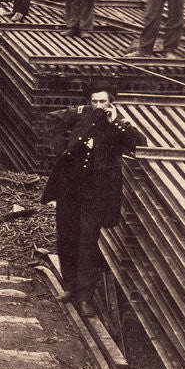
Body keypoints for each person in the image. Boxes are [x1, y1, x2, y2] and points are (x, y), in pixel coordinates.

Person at [42, 83, 145, 317]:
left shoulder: (117, 124)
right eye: (95, 102)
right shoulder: (79, 114)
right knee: (67, 237)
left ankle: (85, 298)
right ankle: (69, 288)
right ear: (90, 102)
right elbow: (51, 120)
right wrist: (60, 147)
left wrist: (116, 122)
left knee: (88, 242)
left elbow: (139, 143)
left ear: (111, 103)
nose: (98, 106)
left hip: (96, 192)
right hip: (70, 188)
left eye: (103, 102)